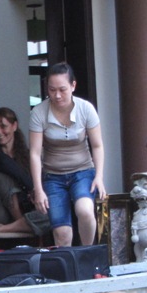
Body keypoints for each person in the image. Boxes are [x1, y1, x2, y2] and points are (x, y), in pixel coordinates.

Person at [29, 62, 107, 247]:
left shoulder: (85, 109)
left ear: (73, 85)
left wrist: (99, 176)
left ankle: (87, 253)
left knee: (85, 210)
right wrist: (38, 189)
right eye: (52, 89)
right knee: (62, 232)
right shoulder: (38, 112)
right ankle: (68, 270)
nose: (57, 95)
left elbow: (97, 146)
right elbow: (34, 153)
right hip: (53, 176)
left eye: (62, 89)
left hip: (82, 171)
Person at [0, 107, 50, 237]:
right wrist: (33, 188)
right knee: (3, 173)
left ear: (14, 126)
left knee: (55, 213)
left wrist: (38, 193)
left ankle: (9, 227)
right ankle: (21, 223)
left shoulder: (24, 155)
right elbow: (4, 163)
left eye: (3, 126)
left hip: (20, 212)